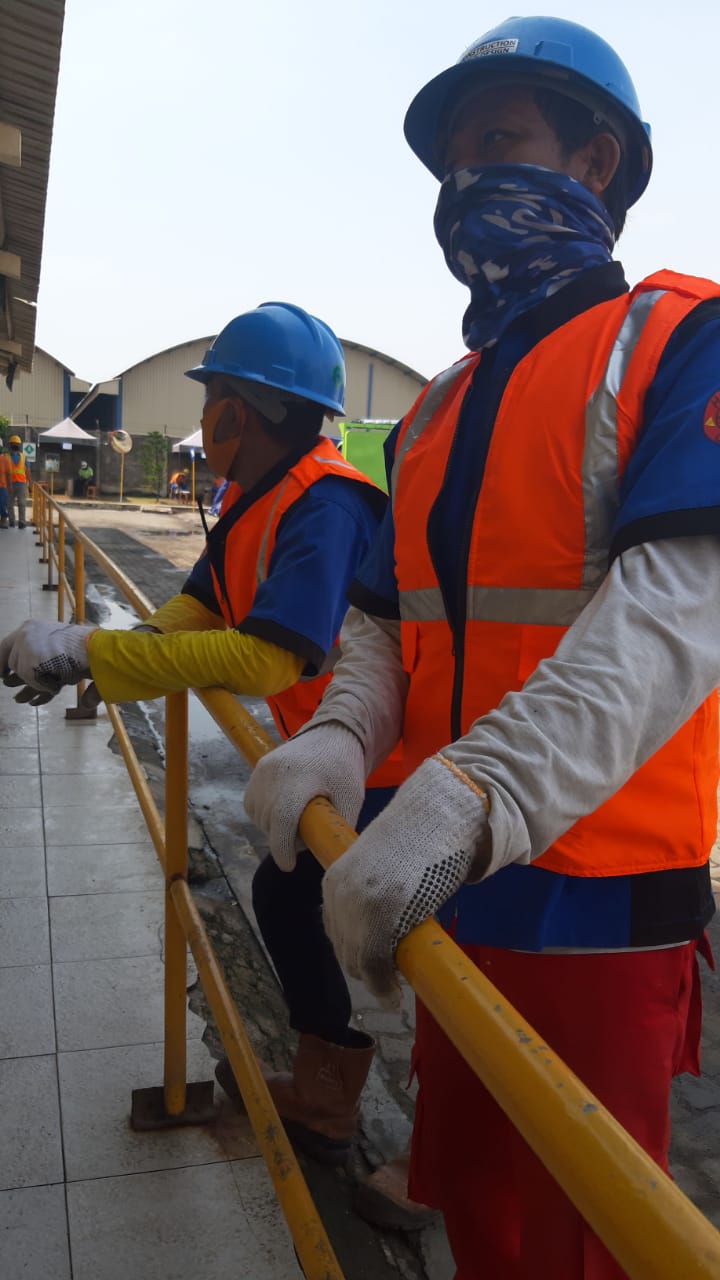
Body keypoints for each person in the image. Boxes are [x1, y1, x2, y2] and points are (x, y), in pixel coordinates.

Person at [242, 18, 720, 1279]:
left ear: (597, 159)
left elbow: (680, 611)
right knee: (477, 1207)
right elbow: (386, 619)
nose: (466, 183)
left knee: (580, 1236)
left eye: (498, 140)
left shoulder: (681, 338)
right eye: (453, 161)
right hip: (445, 874)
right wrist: (344, 732)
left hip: (600, 896)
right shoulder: (439, 406)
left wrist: (479, 790)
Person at [0, 301, 425, 1228]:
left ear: (248, 410)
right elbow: (197, 606)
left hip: (389, 758)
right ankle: (329, 1089)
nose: (203, 420)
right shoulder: (254, 499)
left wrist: (96, 654)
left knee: (414, 949)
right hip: (334, 757)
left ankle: (410, 1131)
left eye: (214, 400)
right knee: (289, 896)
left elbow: (269, 657)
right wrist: (93, 655)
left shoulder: (327, 504)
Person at [6, 434, 28, 528]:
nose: (15, 445)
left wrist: (30, 481)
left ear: (19, 445)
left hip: (21, 484)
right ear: (10, 445)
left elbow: (27, 470)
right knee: (9, 504)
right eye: (14, 443)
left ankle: (22, 521)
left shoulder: (24, 457)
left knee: (21, 503)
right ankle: (12, 521)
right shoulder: (6, 457)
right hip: (9, 484)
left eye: (17, 443)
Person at [0, 440, 10, 528]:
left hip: (2, 486)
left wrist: (9, 487)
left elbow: (8, 473)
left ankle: (3, 520)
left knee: (2, 504)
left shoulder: (4, 459)